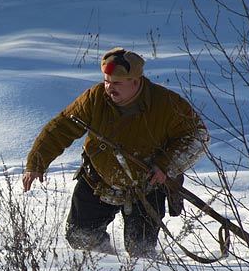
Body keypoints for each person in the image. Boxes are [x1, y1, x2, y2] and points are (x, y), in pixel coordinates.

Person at [22, 47, 209, 257]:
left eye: (117, 83)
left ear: (136, 82)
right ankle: (106, 268)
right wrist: (36, 163)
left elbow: (197, 136)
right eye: (107, 81)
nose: (109, 88)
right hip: (98, 181)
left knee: (140, 253)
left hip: (147, 187)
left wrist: (165, 166)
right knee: (81, 238)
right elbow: (62, 127)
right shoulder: (95, 98)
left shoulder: (166, 103)